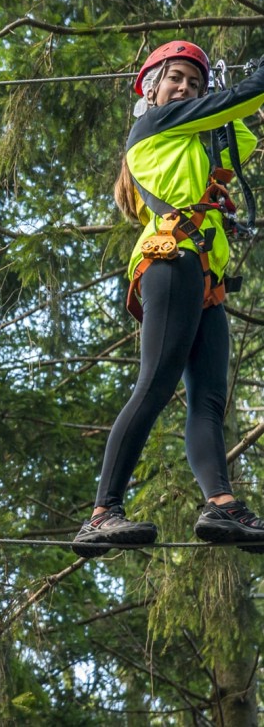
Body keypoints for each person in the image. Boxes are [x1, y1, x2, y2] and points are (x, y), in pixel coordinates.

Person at [72, 40, 264, 558]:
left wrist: (225, 96)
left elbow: (240, 135)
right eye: (176, 78)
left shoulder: (192, 138)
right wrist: (239, 88)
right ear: (151, 89)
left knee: (208, 400)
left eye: (195, 83)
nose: (185, 88)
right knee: (155, 384)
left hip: (202, 276)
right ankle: (101, 512)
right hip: (172, 259)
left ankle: (220, 504)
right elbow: (243, 101)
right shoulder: (152, 127)